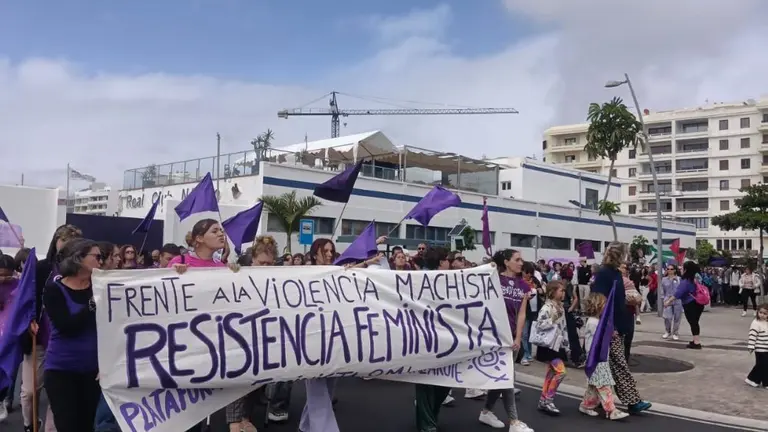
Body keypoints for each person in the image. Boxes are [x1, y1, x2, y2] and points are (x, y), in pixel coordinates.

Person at [43, 238, 102, 432]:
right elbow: (66, 325)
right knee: (68, 426)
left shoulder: (101, 287)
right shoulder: (54, 289)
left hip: (93, 373)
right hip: (62, 371)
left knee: (87, 426)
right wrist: (93, 304)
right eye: (97, 257)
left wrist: (178, 273)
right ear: (79, 258)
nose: (101, 262)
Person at [225, 236, 279, 432]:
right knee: (238, 378)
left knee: (256, 380)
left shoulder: (279, 279)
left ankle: (245, 418)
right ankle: (234, 422)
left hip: (264, 337)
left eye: (269, 264)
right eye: (261, 262)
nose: (265, 266)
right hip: (238, 335)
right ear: (252, 260)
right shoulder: (239, 274)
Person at [592, 242, 652, 414]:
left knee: (607, 366)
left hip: (617, 323)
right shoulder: (604, 274)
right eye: (625, 255)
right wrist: (608, 325)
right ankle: (633, 401)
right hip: (609, 326)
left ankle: (593, 400)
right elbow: (599, 301)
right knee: (619, 364)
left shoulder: (615, 273)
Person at [479, 249, 534, 432]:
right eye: (517, 260)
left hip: (511, 338)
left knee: (502, 377)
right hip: (495, 337)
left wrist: (518, 337)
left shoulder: (524, 286)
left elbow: (522, 314)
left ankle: (486, 412)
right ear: (507, 262)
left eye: (521, 260)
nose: (521, 263)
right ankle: (514, 422)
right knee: (506, 378)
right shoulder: (494, 280)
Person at [299, 238, 341, 432]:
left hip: (333, 337)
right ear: (316, 253)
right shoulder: (302, 274)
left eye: (332, 251)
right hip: (311, 340)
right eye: (326, 251)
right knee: (317, 388)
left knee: (328, 388)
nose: (330, 255)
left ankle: (306, 427)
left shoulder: (337, 273)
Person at [414, 246, 453, 432]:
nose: (450, 262)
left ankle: (430, 415)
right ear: (440, 262)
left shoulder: (456, 280)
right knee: (425, 384)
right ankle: (427, 424)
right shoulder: (421, 280)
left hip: (447, 339)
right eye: (447, 259)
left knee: (444, 383)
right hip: (426, 338)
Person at [579, 292, 629, 420]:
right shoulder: (594, 323)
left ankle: (586, 405)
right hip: (596, 359)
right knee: (604, 384)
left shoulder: (597, 322)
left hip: (600, 358)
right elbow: (597, 340)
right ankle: (611, 410)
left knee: (595, 386)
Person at [533, 280, 569, 415]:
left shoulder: (560, 307)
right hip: (548, 345)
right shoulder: (547, 308)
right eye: (561, 290)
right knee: (561, 372)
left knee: (551, 373)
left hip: (557, 345)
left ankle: (544, 400)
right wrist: (551, 320)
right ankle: (548, 399)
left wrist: (566, 345)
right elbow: (539, 325)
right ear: (553, 292)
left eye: (564, 290)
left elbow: (563, 326)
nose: (563, 293)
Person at [665, 261, 704, 349]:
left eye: (683, 268)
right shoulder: (696, 278)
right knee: (695, 322)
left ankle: (696, 342)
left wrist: (668, 301)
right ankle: (695, 340)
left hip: (690, 304)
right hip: (698, 303)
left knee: (693, 323)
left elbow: (678, 293)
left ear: (686, 270)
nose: (681, 269)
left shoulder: (685, 281)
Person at [745, 304, 768, 388]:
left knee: (762, 365)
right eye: (760, 312)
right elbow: (752, 335)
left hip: (766, 348)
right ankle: (765, 382)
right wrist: (751, 346)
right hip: (760, 349)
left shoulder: (766, 322)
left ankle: (753, 379)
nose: (762, 315)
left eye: (765, 313)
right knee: (763, 365)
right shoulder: (755, 323)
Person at [661, 265, 682, 340]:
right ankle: (667, 331)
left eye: (671, 269)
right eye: (668, 269)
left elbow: (680, 290)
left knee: (677, 317)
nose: (670, 270)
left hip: (677, 300)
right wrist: (663, 299)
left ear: (675, 270)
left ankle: (675, 333)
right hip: (667, 299)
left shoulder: (679, 279)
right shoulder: (664, 279)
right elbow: (662, 290)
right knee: (667, 317)